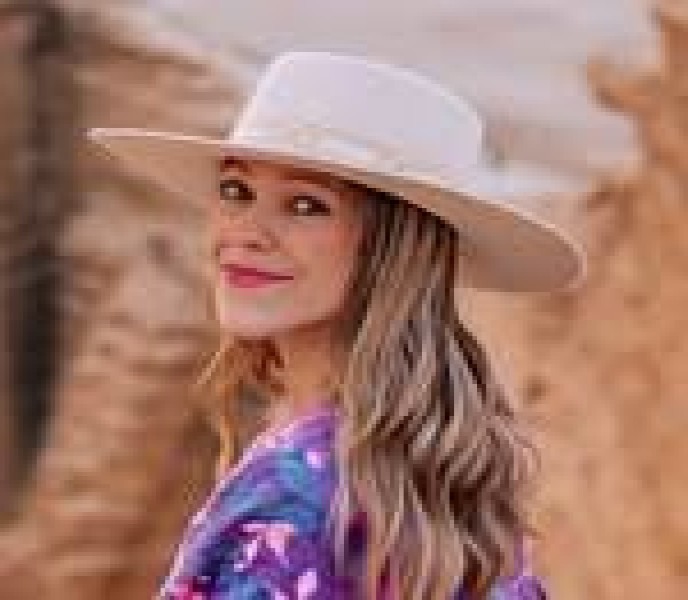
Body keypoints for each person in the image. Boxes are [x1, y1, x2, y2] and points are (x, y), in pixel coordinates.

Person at [87, 50, 587, 599]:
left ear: (393, 251)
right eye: (236, 192)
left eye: (306, 205)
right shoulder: (449, 487)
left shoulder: (289, 500)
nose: (247, 232)